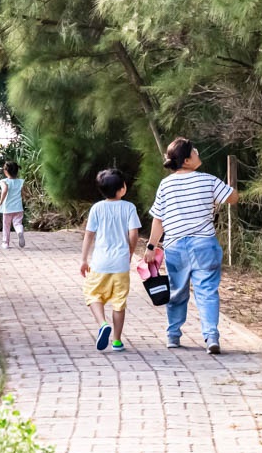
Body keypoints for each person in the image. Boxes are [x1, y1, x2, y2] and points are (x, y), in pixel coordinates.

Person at [144, 138, 237, 354]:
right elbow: (233, 198)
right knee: (207, 291)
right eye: (194, 151)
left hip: (175, 245)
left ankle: (173, 335)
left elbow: (158, 219)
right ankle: (211, 336)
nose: (197, 152)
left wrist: (151, 247)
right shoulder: (208, 180)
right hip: (204, 244)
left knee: (177, 291)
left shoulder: (165, 185)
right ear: (186, 160)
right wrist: (223, 191)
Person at [80, 168, 141, 352]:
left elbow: (89, 235)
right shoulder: (129, 207)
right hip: (121, 264)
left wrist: (83, 259)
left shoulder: (97, 208)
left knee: (92, 294)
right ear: (122, 189)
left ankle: (102, 324)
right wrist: (130, 253)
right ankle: (116, 340)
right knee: (119, 302)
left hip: (100, 262)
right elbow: (134, 234)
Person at [0, 161, 25, 248]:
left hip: (7, 208)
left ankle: (5, 243)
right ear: (17, 171)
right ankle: (19, 231)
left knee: (6, 226)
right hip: (18, 208)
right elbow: (23, 193)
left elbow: (5, 190)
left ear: (5, 171)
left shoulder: (3, 181)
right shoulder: (21, 182)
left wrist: (0, 202)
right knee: (18, 223)